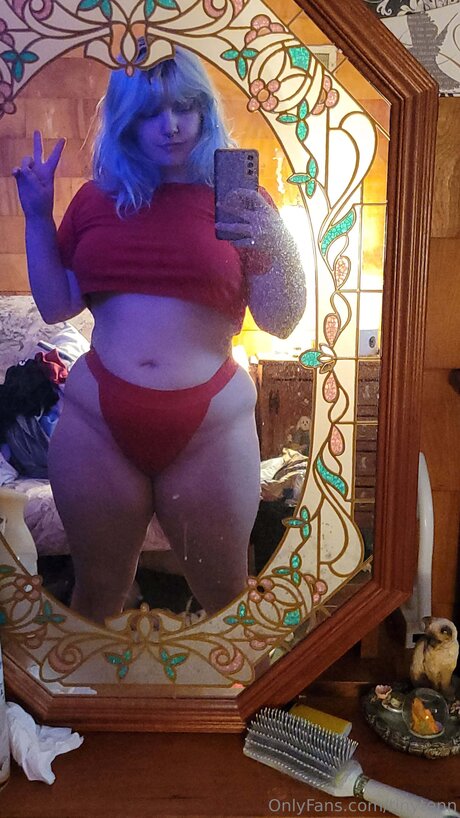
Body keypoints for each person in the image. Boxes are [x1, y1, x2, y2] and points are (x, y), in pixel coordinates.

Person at [12, 46, 306, 624]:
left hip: (211, 426)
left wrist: (278, 238)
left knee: (226, 598)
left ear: (204, 111)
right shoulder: (96, 200)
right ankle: (93, 691)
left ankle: (234, 692)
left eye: (185, 106)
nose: (171, 125)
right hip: (98, 423)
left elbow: (282, 319)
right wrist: (38, 216)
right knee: (97, 595)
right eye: (151, 112)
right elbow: (56, 304)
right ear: (126, 121)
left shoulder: (239, 203)